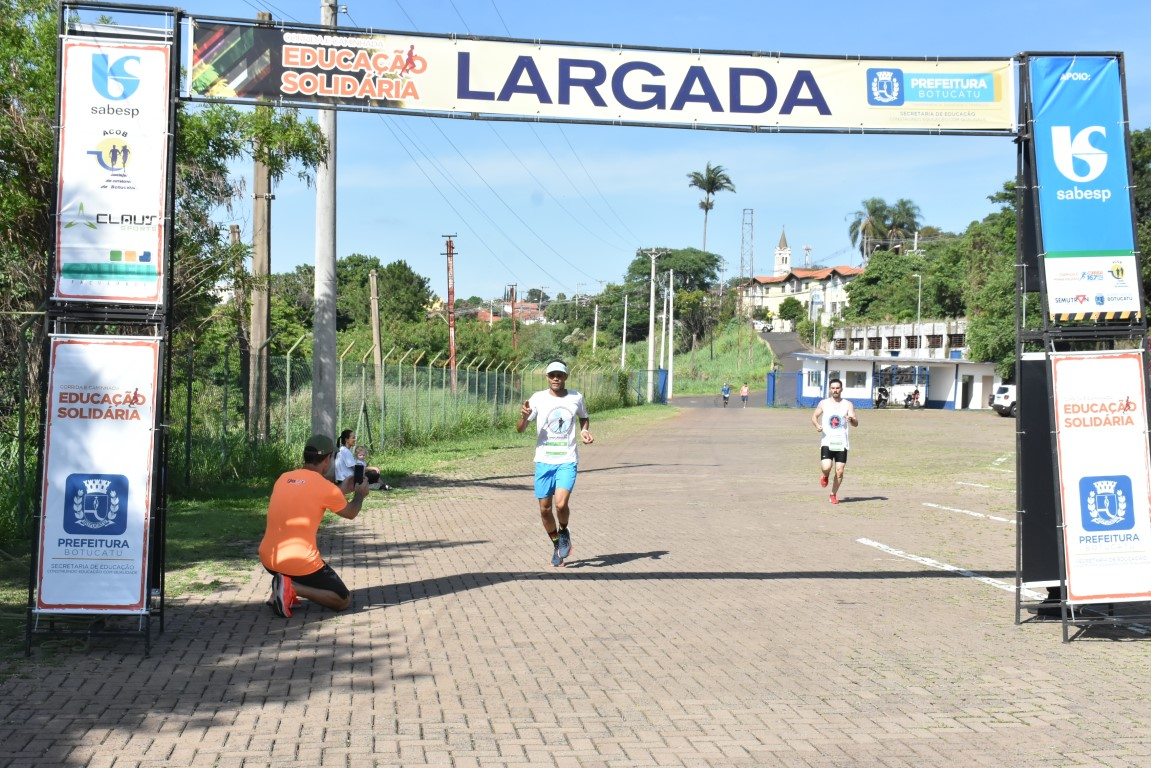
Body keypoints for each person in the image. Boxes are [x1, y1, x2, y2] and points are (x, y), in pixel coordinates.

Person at [259, 434, 369, 617]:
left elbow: (308, 497)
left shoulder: (284, 478)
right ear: (327, 459)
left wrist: (341, 490)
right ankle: (292, 587)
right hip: (299, 562)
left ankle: (282, 589)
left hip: (269, 559)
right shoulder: (325, 488)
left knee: (293, 568)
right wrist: (359, 495)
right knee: (343, 600)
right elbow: (350, 513)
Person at [517, 360, 593, 567]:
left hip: (567, 460)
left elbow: (584, 417)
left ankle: (564, 530)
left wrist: (585, 431)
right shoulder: (537, 398)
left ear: (566, 377)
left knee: (560, 504)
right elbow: (520, 429)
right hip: (544, 461)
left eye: (560, 375)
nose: (556, 379)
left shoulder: (576, 397)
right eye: (552, 375)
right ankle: (556, 544)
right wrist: (524, 418)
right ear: (547, 378)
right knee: (544, 509)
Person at [811, 378, 859, 505]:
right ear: (830, 389)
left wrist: (851, 419)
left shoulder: (848, 404)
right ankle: (825, 475)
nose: (835, 390)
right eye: (833, 388)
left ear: (841, 389)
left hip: (841, 442)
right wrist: (817, 425)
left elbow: (856, 423)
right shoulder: (824, 403)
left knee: (840, 471)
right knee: (826, 467)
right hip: (827, 441)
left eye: (837, 388)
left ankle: (833, 494)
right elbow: (814, 416)